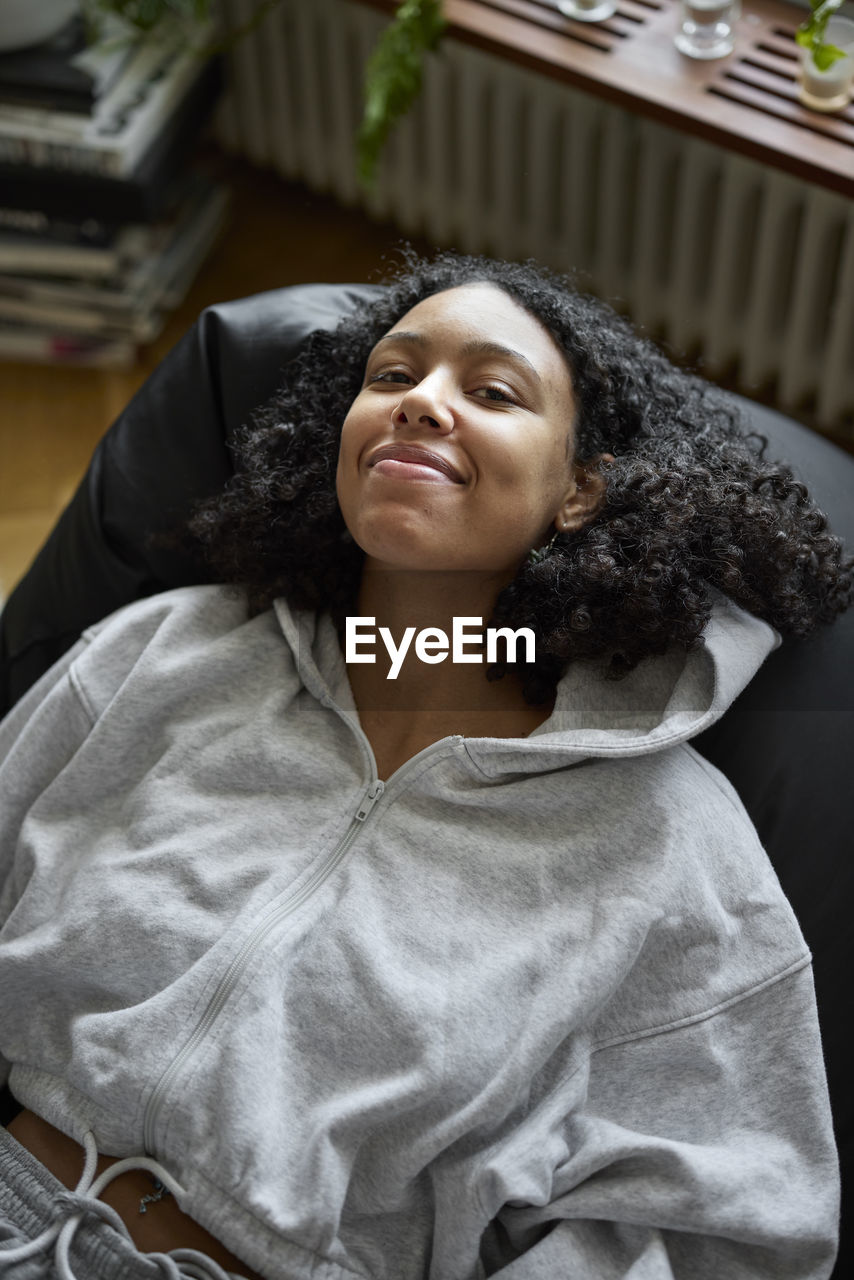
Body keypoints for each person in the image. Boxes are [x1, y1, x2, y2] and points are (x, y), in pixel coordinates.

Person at [0, 250, 850, 1280]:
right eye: (392, 377)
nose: (419, 404)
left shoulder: (670, 847)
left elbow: (729, 1225)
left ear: (581, 488)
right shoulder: (163, 656)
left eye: (490, 391)